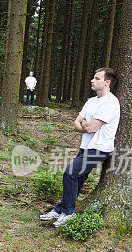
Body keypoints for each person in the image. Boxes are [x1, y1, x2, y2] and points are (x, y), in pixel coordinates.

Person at [40, 68, 119, 228]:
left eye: (97, 78)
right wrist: (85, 124)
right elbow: (78, 124)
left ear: (107, 82)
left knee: (69, 174)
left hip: (99, 148)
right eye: (93, 78)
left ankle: (68, 213)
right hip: (86, 146)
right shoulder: (91, 102)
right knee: (78, 178)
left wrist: (84, 124)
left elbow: (89, 127)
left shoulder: (111, 103)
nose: (92, 80)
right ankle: (61, 209)